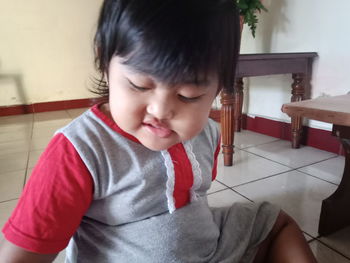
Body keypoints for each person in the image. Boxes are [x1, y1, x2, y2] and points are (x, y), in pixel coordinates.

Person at [0, 0, 317, 262]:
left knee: (274, 221)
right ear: (103, 60)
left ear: (220, 86)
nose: (161, 111)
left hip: (208, 247)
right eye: (139, 85)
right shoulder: (79, 151)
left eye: (189, 95)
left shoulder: (208, 133)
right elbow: (22, 255)